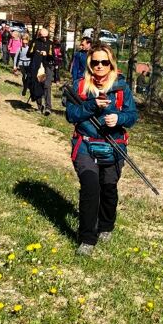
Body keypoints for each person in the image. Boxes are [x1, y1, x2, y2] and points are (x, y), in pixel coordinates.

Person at [65, 44, 138, 256]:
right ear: (89, 63)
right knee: (90, 186)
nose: (99, 66)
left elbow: (132, 115)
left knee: (108, 187)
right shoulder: (79, 86)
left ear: (111, 63)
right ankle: (87, 238)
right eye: (95, 62)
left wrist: (119, 118)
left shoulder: (122, 87)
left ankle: (106, 225)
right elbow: (71, 115)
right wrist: (92, 105)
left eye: (104, 62)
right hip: (85, 144)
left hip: (114, 145)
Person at [27, 27, 55, 114]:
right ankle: (39, 106)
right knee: (37, 86)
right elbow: (29, 54)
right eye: (42, 36)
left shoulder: (50, 43)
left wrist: (47, 54)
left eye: (46, 36)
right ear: (39, 35)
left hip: (47, 67)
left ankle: (48, 107)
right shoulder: (35, 42)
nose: (44, 38)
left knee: (47, 86)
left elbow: (53, 57)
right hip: (36, 67)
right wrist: (36, 53)